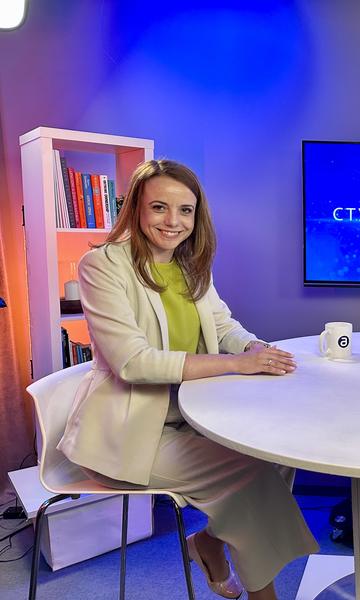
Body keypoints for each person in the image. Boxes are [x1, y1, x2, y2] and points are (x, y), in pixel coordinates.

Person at [57, 159, 319, 600]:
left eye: (185, 210)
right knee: (253, 479)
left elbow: (222, 325)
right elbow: (133, 363)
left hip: (196, 417)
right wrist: (238, 365)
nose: (173, 222)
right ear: (135, 209)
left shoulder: (190, 264)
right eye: (159, 207)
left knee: (277, 451)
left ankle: (211, 542)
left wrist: (254, 348)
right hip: (131, 433)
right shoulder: (101, 266)